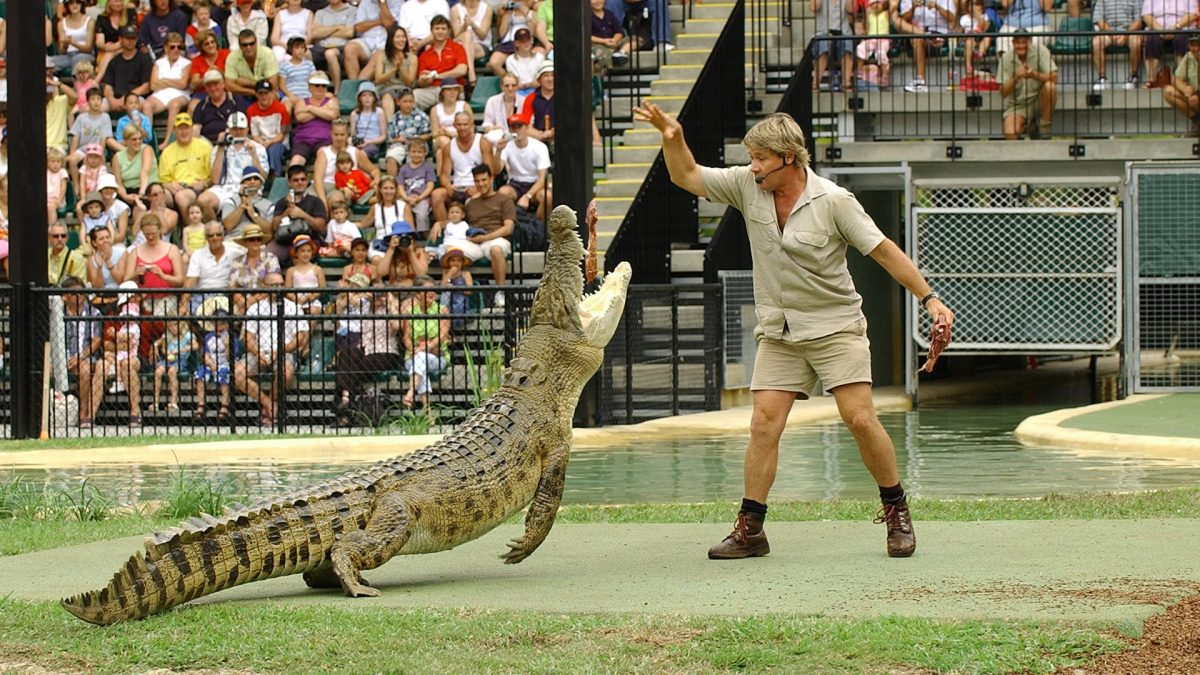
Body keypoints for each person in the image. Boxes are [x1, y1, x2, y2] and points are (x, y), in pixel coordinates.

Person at [633, 103, 956, 560]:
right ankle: (751, 530)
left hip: (836, 326)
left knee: (860, 419)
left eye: (761, 158)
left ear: (788, 157)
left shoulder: (834, 201)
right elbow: (686, 175)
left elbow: (884, 252)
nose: (753, 166)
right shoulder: (749, 186)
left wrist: (931, 299)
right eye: (751, 157)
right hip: (779, 331)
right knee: (763, 423)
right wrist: (673, 136)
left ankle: (896, 510)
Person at [235, 271, 309, 425]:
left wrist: (282, 349)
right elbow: (248, 338)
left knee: (285, 372)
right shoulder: (255, 309)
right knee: (237, 374)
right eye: (274, 285)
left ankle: (268, 409)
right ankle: (269, 404)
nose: (279, 288)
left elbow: (300, 338)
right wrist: (257, 352)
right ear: (265, 287)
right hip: (258, 351)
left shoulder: (294, 308)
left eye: (281, 285)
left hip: (285, 351)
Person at [334, 281, 402, 425]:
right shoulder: (365, 306)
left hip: (386, 352)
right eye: (375, 294)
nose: (377, 297)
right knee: (348, 353)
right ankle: (346, 400)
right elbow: (341, 304)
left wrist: (389, 302)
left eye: (380, 294)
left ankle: (344, 408)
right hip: (364, 351)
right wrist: (364, 293)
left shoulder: (391, 306)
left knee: (347, 368)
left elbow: (397, 326)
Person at [82, 281, 144, 428]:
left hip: (137, 357)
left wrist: (120, 343)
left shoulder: (143, 314)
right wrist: (120, 344)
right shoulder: (114, 314)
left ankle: (135, 411)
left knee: (127, 365)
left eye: (134, 298)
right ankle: (90, 415)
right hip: (115, 356)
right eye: (130, 299)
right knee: (101, 365)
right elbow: (107, 344)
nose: (134, 300)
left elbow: (132, 344)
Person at [199, 112, 270, 223]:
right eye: (234, 129)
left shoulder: (258, 148)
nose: (238, 132)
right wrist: (221, 147)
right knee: (203, 200)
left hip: (249, 189)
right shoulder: (219, 148)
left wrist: (254, 155)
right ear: (229, 130)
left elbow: (264, 177)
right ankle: (216, 232)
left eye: (241, 129)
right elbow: (215, 179)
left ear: (247, 129)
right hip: (225, 189)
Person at [462, 164, 515, 304]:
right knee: (452, 251)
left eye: (484, 180)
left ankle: (500, 292)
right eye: (477, 181)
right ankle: (459, 294)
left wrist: (485, 238)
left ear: (491, 179)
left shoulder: (504, 200)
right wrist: (439, 224)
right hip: (474, 241)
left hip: (496, 238)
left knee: (495, 249)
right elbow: (458, 221)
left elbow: (508, 228)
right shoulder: (470, 203)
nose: (481, 184)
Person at [432, 111, 497, 223]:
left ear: (471, 124)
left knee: (474, 199)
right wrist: (448, 186)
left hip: (478, 185)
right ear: (454, 125)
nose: (462, 128)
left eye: (465, 124)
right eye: (459, 124)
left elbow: (490, 172)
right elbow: (444, 175)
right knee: (436, 195)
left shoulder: (482, 142)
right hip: (457, 187)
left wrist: (478, 188)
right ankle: (446, 230)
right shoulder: (448, 146)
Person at [121, 213, 185, 318]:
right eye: (147, 234)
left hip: (167, 297)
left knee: (160, 321)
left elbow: (180, 280)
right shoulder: (135, 252)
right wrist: (136, 274)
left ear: (159, 230)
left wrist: (163, 276)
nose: (150, 237)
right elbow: (126, 280)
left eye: (153, 233)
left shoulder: (172, 249)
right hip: (144, 298)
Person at [401, 274, 450, 410]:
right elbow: (406, 337)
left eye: (433, 289)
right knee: (421, 364)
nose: (432, 293)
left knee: (421, 359)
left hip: (437, 356)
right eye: (427, 290)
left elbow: (442, 335)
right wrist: (414, 349)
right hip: (413, 355)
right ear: (417, 293)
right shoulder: (409, 311)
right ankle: (427, 411)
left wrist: (424, 348)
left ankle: (410, 392)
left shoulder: (442, 310)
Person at [999, 30, 1057, 140]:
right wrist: (1016, 77)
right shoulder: (1005, 58)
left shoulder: (1041, 50)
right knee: (1010, 133)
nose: (1021, 46)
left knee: (1050, 87)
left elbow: (1054, 77)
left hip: (1040, 99)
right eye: (1018, 43)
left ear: (1030, 42)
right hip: (1018, 104)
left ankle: (1045, 127)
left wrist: (1034, 75)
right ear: (1013, 43)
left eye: (1024, 42)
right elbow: (1003, 92)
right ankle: (1027, 127)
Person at [159, 112, 214, 219]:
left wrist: (205, 184)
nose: (183, 132)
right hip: (177, 188)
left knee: (182, 197)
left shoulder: (205, 146)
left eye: (186, 128)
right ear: (174, 130)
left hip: (199, 187)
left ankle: (192, 229)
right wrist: (169, 185)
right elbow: (162, 180)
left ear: (192, 129)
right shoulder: (167, 152)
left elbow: (215, 176)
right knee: (159, 194)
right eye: (180, 128)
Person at [313, 118, 380, 207]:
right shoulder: (324, 153)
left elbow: (374, 170)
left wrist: (376, 179)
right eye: (336, 134)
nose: (339, 138)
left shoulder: (355, 152)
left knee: (338, 199)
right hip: (328, 186)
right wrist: (323, 202)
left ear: (347, 135)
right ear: (331, 134)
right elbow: (318, 180)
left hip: (349, 190)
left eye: (342, 135)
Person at [497, 114, 552, 220]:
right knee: (502, 194)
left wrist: (527, 196)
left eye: (520, 126)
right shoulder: (506, 146)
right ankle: (511, 227)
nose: (517, 130)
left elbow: (542, 178)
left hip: (535, 184)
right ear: (509, 129)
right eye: (514, 127)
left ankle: (537, 228)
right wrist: (498, 151)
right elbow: (497, 170)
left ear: (526, 128)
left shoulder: (539, 147)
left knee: (547, 197)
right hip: (515, 183)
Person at [269, 166, 330, 261]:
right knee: (268, 255)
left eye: (303, 179)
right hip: (285, 241)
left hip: (308, 242)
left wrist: (302, 215)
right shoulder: (282, 202)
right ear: (289, 183)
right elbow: (274, 226)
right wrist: (288, 210)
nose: (300, 182)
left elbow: (321, 227)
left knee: (301, 255)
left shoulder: (316, 201)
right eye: (296, 180)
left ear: (307, 181)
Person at [896, 0, 956, 94]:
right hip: (917, 31)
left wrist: (937, 7)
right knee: (916, 38)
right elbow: (903, 18)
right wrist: (913, 7)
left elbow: (952, 18)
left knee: (918, 38)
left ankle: (921, 81)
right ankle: (921, 82)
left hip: (939, 32)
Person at [143, 32, 192, 147]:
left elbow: (183, 84)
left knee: (174, 105)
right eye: (172, 47)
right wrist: (173, 82)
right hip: (160, 95)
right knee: (146, 105)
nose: (176, 50)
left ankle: (168, 140)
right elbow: (153, 85)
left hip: (180, 95)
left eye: (179, 47)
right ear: (166, 48)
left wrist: (164, 80)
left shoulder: (186, 63)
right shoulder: (158, 63)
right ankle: (148, 139)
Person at [183, 221, 243, 314]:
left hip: (225, 294)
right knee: (191, 311)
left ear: (223, 237)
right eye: (211, 235)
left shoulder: (235, 253)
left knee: (221, 316)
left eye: (218, 234)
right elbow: (190, 282)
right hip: (202, 294)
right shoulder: (198, 255)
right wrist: (183, 304)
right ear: (206, 238)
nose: (215, 238)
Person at [412, 15, 469, 110]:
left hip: (452, 87)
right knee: (412, 97)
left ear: (448, 31)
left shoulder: (457, 48)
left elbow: (462, 70)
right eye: (437, 28)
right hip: (431, 90)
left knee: (452, 94)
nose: (440, 31)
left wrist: (437, 76)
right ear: (432, 31)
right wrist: (425, 80)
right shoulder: (425, 55)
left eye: (443, 29)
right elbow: (421, 81)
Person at [1141, 0, 1197, 89]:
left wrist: (1176, 27)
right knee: (1152, 39)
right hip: (1157, 28)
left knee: (1182, 38)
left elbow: (1193, 14)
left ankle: (1181, 80)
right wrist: (1161, 30)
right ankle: (1151, 80)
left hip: (1181, 28)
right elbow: (1146, 15)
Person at [344, 0, 405, 80]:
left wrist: (382, 2)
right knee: (350, 48)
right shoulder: (365, 2)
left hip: (386, 42)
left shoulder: (397, 2)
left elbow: (389, 24)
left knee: (378, 56)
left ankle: (358, 86)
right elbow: (358, 28)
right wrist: (380, 21)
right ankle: (354, 83)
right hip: (367, 40)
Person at [288, 70, 339, 168]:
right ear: (310, 87)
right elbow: (300, 117)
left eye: (323, 86)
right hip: (303, 140)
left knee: (324, 156)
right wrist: (322, 111)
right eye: (317, 85)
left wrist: (310, 108)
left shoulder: (332, 101)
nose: (320, 88)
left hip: (324, 140)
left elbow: (332, 115)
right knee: (296, 160)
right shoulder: (301, 102)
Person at [1090, 0, 1143, 90]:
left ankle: (1133, 77)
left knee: (1136, 42)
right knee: (1096, 42)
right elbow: (1099, 20)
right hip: (1108, 31)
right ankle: (1102, 79)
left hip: (1129, 31)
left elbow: (1138, 21)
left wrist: (1126, 34)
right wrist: (1112, 33)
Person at [101, 25, 153, 115]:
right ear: (120, 39)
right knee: (92, 107)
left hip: (136, 98)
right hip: (115, 98)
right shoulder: (114, 61)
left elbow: (146, 87)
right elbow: (107, 86)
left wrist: (126, 98)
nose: (130, 41)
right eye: (127, 38)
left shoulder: (145, 59)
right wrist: (111, 100)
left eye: (133, 38)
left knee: (137, 105)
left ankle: (145, 129)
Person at [246, 79, 291, 178]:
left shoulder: (281, 109)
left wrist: (269, 142)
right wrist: (261, 142)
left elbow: (281, 135)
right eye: (260, 93)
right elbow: (255, 135)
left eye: (266, 93)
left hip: (279, 143)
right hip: (261, 142)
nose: (264, 96)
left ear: (272, 93)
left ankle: (275, 177)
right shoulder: (251, 111)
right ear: (256, 94)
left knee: (273, 150)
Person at [194, 307, 233, 421]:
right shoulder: (208, 337)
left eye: (221, 324)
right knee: (200, 373)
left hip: (225, 363)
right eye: (216, 323)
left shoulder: (230, 337)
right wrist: (211, 363)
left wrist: (227, 346)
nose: (218, 327)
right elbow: (205, 354)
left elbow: (231, 358)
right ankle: (201, 404)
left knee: (224, 373)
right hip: (211, 364)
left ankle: (225, 404)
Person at [312, 0, 358, 94]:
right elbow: (315, 33)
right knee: (304, 54)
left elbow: (350, 32)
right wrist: (337, 27)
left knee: (330, 54)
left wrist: (324, 32)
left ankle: (337, 91)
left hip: (341, 46)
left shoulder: (352, 10)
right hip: (322, 46)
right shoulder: (320, 12)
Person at [152, 315, 195, 413]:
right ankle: (155, 402)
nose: (173, 328)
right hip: (168, 359)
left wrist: (179, 350)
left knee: (172, 371)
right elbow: (162, 347)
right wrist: (165, 351)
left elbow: (195, 346)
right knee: (158, 371)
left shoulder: (187, 335)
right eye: (170, 326)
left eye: (175, 325)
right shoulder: (168, 336)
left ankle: (173, 402)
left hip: (180, 360)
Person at [376, 26, 419, 122]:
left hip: (403, 89)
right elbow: (378, 79)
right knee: (387, 96)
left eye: (403, 37)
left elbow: (410, 82)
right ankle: (390, 125)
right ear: (391, 39)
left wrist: (401, 68)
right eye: (398, 37)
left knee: (406, 98)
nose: (401, 40)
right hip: (386, 89)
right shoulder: (382, 56)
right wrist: (393, 69)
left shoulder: (412, 58)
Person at [112, 126, 160, 211]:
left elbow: (145, 172)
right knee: (117, 206)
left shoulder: (147, 149)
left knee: (139, 207)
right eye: (134, 139)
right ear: (126, 141)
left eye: (140, 139)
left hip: (147, 189)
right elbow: (118, 183)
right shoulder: (117, 157)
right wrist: (125, 196)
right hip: (128, 191)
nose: (138, 142)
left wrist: (141, 194)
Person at [385, 88, 433, 174]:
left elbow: (427, 135)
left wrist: (409, 140)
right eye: (405, 101)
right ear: (398, 102)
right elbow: (391, 139)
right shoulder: (394, 118)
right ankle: (392, 184)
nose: (408, 104)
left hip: (417, 145)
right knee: (391, 157)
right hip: (399, 145)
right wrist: (399, 140)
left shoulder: (422, 116)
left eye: (410, 101)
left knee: (415, 155)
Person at [224, 28, 280, 99]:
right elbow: (229, 86)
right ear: (240, 45)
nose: (248, 47)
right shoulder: (232, 57)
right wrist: (255, 91)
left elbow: (273, 85)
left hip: (266, 95)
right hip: (242, 96)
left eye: (252, 43)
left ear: (256, 42)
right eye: (244, 45)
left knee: (273, 96)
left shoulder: (268, 54)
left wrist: (247, 82)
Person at [1163, 33, 1200, 136]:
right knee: (1168, 91)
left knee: (1195, 100)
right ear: (1188, 46)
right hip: (1194, 94)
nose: (1196, 48)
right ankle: (1197, 121)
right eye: (1193, 45)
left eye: (1199, 45)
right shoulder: (1189, 57)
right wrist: (1184, 89)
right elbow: (1175, 78)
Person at [228, 222, 282, 292]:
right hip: (242, 301)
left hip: (267, 300)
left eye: (258, 239)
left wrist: (252, 300)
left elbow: (275, 285)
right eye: (252, 239)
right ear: (245, 242)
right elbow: (233, 287)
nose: (255, 242)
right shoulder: (237, 262)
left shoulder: (271, 258)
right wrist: (243, 301)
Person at [190, 70, 240, 145]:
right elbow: (196, 128)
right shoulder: (202, 105)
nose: (213, 88)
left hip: (231, 141)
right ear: (205, 88)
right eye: (209, 86)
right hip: (207, 144)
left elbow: (242, 126)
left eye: (216, 84)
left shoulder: (235, 100)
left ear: (223, 84)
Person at [398, 140, 437, 233]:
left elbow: (430, 186)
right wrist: (406, 198)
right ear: (408, 153)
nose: (416, 154)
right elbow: (400, 186)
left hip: (422, 198)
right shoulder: (403, 168)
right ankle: (404, 233)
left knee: (422, 215)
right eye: (413, 151)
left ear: (425, 153)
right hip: (406, 197)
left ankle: (422, 235)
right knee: (399, 209)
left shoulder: (428, 167)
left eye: (420, 152)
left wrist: (419, 198)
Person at [285, 234, 326, 314]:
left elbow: (322, 288)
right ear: (296, 253)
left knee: (314, 311)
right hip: (296, 301)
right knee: (292, 311)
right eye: (302, 251)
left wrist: (311, 297)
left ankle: (311, 326)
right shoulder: (291, 270)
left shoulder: (317, 269)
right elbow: (288, 290)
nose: (306, 254)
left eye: (309, 251)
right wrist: (295, 298)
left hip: (312, 301)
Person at [590, 0, 633, 77]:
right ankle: (598, 70)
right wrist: (604, 41)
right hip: (597, 44)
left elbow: (619, 32)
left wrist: (615, 40)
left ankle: (621, 53)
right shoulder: (587, 16)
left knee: (634, 40)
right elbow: (587, 36)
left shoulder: (609, 14)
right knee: (605, 54)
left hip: (613, 42)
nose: (598, 1)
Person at [53, 0, 97, 74]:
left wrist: (73, 43)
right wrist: (65, 45)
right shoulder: (61, 23)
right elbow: (61, 51)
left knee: (77, 59)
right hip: (68, 56)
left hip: (86, 55)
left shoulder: (90, 21)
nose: (75, 5)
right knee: (47, 61)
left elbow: (89, 48)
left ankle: (77, 84)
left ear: (82, 4)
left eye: (77, 2)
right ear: (67, 5)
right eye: (71, 3)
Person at [278, 35, 316, 115]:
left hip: (307, 95)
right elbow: (282, 85)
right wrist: (291, 96)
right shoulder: (284, 65)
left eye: (302, 47)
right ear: (291, 49)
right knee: (286, 109)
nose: (300, 50)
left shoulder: (309, 64)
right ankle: (285, 127)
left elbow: (314, 80)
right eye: (297, 48)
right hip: (290, 95)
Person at [350, 81, 387, 161]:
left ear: (374, 98)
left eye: (370, 95)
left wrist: (368, 142)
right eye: (364, 95)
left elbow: (383, 136)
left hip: (373, 143)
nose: (367, 98)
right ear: (360, 98)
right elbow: (353, 134)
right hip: (358, 142)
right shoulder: (354, 114)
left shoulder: (379, 112)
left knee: (360, 154)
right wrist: (355, 142)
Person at [482, 72, 526, 138]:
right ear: (501, 87)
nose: (510, 88)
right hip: (498, 139)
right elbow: (486, 125)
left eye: (513, 85)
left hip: (519, 138)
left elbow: (529, 125)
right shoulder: (492, 101)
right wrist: (493, 129)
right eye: (507, 86)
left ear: (517, 86)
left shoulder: (524, 101)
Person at [270, 0, 314, 64]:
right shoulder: (280, 14)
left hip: (302, 44)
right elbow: (274, 39)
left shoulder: (308, 13)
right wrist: (289, 47)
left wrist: (298, 47)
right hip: (283, 45)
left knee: (302, 56)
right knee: (277, 57)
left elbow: (310, 36)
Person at [438, 247, 474, 325]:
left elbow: (469, 291)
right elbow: (442, 287)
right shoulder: (446, 272)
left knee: (460, 306)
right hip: (447, 301)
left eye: (459, 261)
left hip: (461, 301)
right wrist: (450, 273)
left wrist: (456, 289)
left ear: (462, 263)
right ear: (448, 262)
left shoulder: (466, 273)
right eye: (453, 260)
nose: (456, 263)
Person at [521, 61, 555, 143]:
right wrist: (541, 135)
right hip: (537, 139)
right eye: (546, 75)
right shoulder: (530, 98)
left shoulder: (565, 97)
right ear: (539, 79)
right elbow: (526, 126)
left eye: (553, 75)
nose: (550, 79)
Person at [189, 29, 231, 94]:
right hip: (203, 92)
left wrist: (219, 72)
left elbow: (233, 79)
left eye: (212, 42)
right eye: (206, 44)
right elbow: (194, 84)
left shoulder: (226, 54)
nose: (211, 45)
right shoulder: (196, 60)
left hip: (224, 91)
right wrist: (208, 75)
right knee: (193, 104)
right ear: (201, 47)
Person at [430, 82, 468, 151]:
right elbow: (434, 133)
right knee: (444, 140)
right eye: (449, 90)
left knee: (440, 153)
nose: (452, 92)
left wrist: (450, 134)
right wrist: (443, 133)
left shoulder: (464, 106)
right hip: (441, 138)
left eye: (455, 90)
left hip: (461, 137)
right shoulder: (435, 109)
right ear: (442, 92)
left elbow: (470, 130)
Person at [49, 222, 88, 287]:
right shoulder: (43, 256)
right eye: (56, 236)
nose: (60, 239)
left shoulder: (76, 258)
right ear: (49, 238)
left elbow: (79, 286)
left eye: (63, 236)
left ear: (67, 238)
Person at [48, 148, 71, 227]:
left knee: (51, 207)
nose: (55, 164)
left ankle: (52, 227)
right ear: (48, 163)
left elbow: (63, 188)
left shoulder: (62, 172)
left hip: (58, 200)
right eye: (53, 162)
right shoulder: (46, 172)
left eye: (58, 162)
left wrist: (59, 200)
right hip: (47, 199)